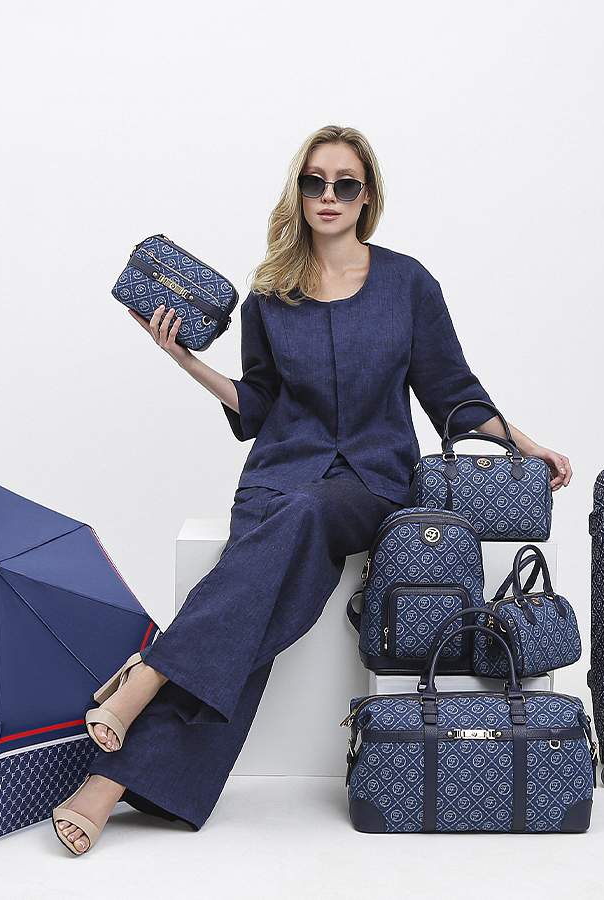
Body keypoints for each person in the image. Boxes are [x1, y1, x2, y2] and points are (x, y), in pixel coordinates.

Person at [51, 124, 572, 855]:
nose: (329, 195)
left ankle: (154, 672)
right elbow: (257, 406)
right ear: (298, 191)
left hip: (369, 483)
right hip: (279, 477)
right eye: (314, 181)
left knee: (303, 518)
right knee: (262, 606)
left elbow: (450, 388)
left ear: (367, 197)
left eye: (345, 184)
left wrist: (523, 442)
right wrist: (185, 362)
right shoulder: (269, 297)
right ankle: (112, 782)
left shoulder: (408, 284)